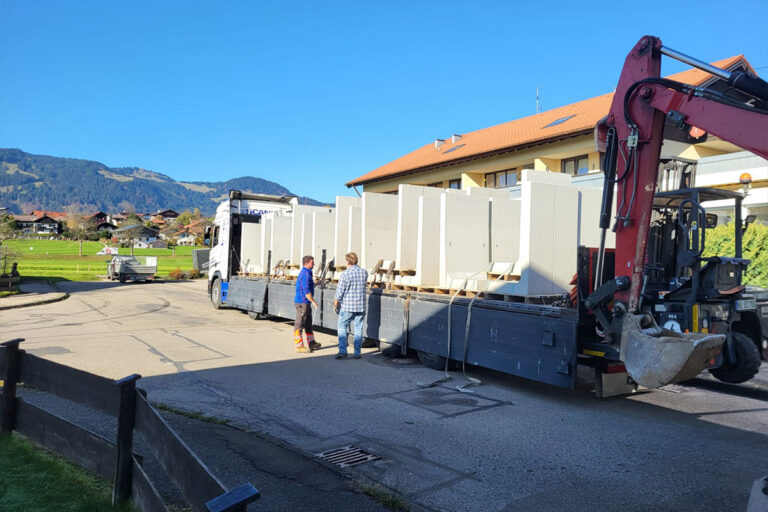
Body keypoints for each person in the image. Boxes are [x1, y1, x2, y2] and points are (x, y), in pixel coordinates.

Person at [333, 252, 368, 359]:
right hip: (360, 306)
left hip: (348, 306)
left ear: (348, 261)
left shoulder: (345, 274)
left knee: (342, 326)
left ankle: (343, 350)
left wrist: (336, 302)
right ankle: (357, 352)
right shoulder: (364, 273)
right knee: (358, 328)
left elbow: (340, 292)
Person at [294, 255, 321, 353]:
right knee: (299, 323)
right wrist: (314, 302)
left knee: (308, 323)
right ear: (306, 263)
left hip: (305, 302)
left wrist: (317, 284)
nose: (313, 264)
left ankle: (311, 342)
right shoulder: (305, 274)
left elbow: (309, 285)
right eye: (312, 263)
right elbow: (306, 291)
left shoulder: (307, 273)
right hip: (302, 302)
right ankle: (299, 346)